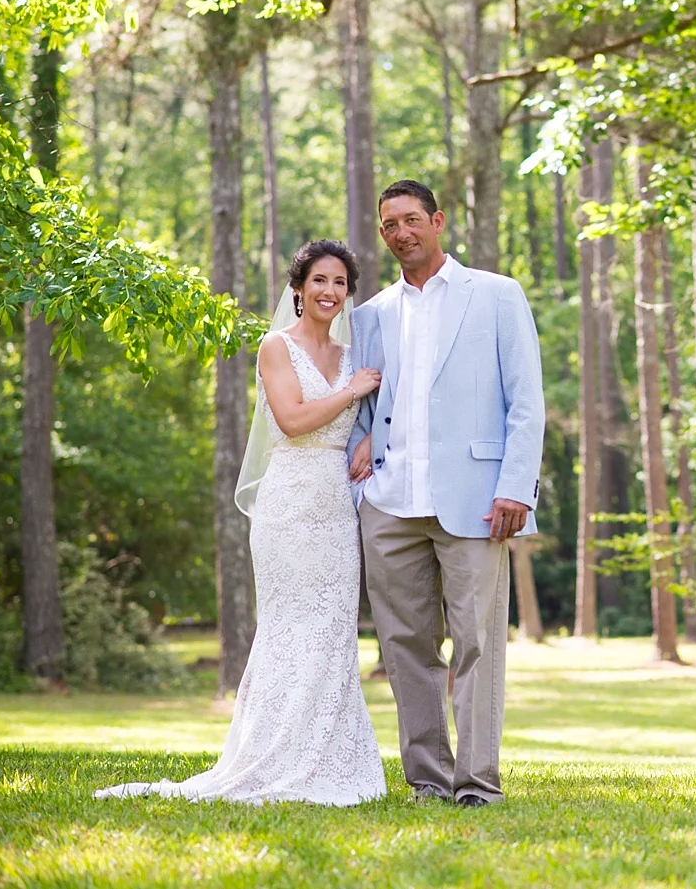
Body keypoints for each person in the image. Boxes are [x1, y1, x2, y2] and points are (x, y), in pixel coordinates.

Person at [96, 241, 387, 806]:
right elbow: (294, 420)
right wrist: (352, 393)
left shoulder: (353, 355)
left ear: (349, 292)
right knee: (287, 627)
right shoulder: (276, 347)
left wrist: (370, 435)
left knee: (331, 629)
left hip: (334, 507)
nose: (330, 291)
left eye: (340, 283)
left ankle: (328, 755)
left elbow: (374, 418)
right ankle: (271, 753)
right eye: (319, 281)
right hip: (287, 504)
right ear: (298, 289)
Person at [347, 179, 545, 807]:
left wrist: (516, 487)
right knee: (405, 647)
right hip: (391, 501)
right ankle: (428, 780)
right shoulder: (371, 313)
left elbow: (526, 402)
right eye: (389, 225)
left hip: (477, 503)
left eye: (411, 220)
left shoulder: (495, 295)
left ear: (437, 221)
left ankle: (478, 783)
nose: (401, 233)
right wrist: (359, 445)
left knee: (478, 644)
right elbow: (367, 399)